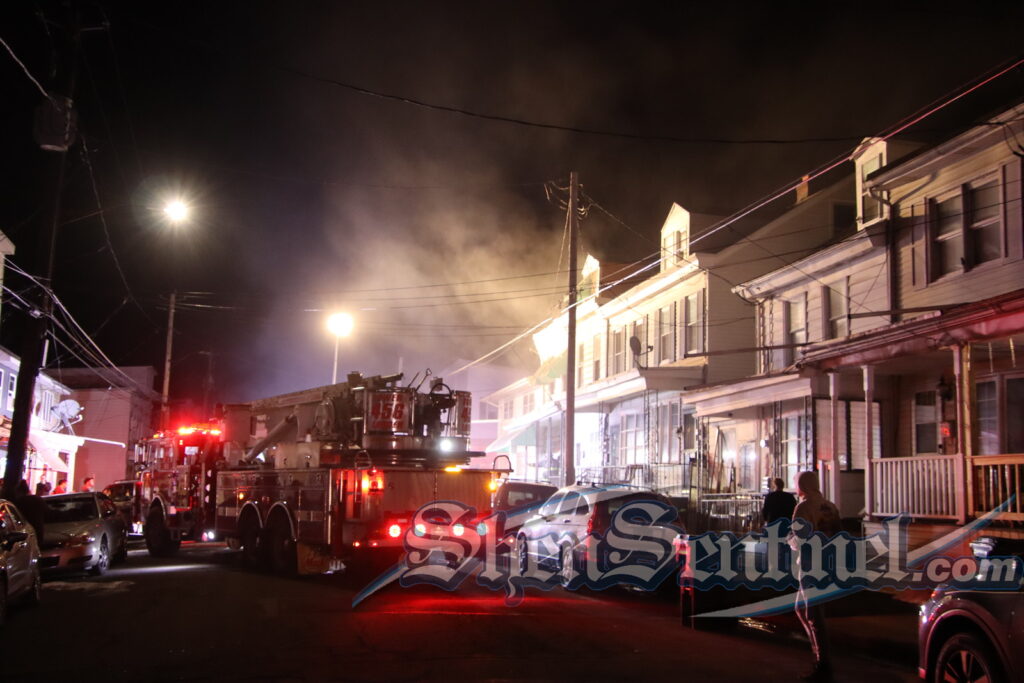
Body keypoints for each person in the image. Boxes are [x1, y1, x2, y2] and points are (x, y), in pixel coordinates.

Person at [791, 471, 841, 682]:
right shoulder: (830, 506)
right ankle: (819, 654)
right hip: (828, 561)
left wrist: (790, 541)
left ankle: (823, 662)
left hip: (811, 563)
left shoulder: (803, 507)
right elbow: (839, 533)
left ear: (802, 485)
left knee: (813, 614)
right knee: (802, 609)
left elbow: (800, 537)